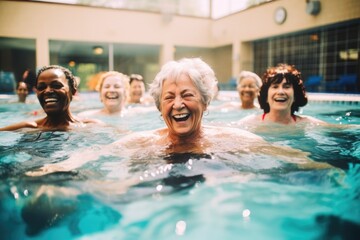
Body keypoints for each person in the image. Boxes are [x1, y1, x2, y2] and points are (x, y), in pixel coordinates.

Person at [26, 58, 330, 178]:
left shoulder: (233, 138)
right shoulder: (142, 141)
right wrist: (59, 167)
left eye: (187, 95)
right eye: (169, 98)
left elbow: (291, 157)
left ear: (206, 101)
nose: (178, 104)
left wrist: (328, 170)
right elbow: (97, 153)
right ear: (159, 107)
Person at [0, 65, 100, 131]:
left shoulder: (91, 126)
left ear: (73, 91)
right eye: (41, 87)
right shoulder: (28, 128)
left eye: (56, 85)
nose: (47, 91)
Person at [238, 63, 326, 126]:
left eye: (286, 87)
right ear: (266, 97)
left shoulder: (308, 124)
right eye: (275, 87)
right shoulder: (248, 123)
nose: (280, 92)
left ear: (295, 95)